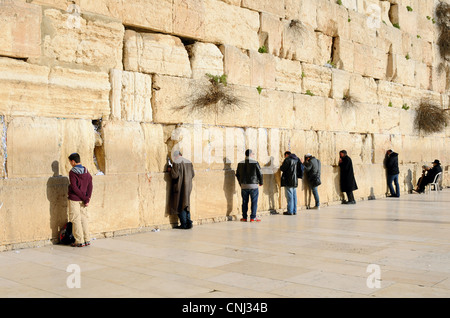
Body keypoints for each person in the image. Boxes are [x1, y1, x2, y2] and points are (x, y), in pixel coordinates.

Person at [67, 153, 93, 247]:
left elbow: (74, 187)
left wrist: (84, 198)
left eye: (70, 161)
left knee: (75, 219)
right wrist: (87, 198)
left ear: (73, 162)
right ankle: (87, 239)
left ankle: (79, 241)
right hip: (84, 199)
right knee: (84, 219)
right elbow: (90, 185)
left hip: (75, 199)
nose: (70, 163)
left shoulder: (72, 172)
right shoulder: (86, 171)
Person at [168, 150, 195, 229]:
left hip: (180, 187)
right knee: (186, 205)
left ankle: (184, 224)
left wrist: (170, 170)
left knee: (180, 205)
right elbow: (193, 174)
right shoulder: (189, 162)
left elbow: (174, 175)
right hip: (188, 187)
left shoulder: (176, 162)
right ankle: (188, 221)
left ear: (175, 156)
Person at [235, 149, 263, 222]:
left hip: (244, 185)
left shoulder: (240, 163)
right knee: (254, 202)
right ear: (250, 154)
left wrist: (240, 183)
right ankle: (253, 217)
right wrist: (261, 182)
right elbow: (260, 173)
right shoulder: (255, 163)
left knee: (244, 202)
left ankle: (244, 217)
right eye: (253, 154)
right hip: (253, 185)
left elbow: (237, 174)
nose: (253, 155)